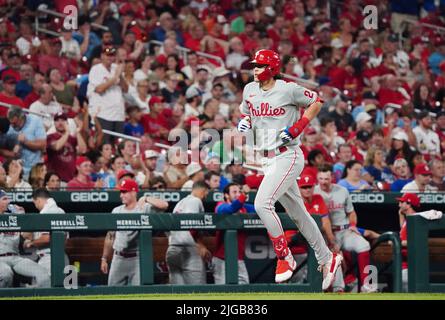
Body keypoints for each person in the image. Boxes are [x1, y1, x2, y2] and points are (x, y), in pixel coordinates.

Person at [237, 49, 341, 289]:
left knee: (262, 204)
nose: (255, 69)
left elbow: (317, 101)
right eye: (254, 65)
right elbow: (248, 113)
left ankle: (284, 257)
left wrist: (299, 126)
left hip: (288, 157)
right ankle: (327, 258)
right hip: (267, 159)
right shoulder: (250, 89)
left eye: (260, 66)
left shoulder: (287, 88)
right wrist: (245, 122)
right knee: (299, 214)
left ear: (272, 68)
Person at [314, 166, 376, 293]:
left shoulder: (342, 190)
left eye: (326, 178)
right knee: (333, 257)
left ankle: (366, 285)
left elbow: (351, 213)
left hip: (344, 230)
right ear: (317, 179)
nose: (324, 182)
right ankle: (338, 288)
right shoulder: (314, 192)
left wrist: (353, 225)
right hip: (326, 233)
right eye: (321, 178)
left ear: (332, 177)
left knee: (364, 245)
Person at [100, 178, 168, 286]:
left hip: (137, 259)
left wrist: (146, 198)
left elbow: (164, 205)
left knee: (138, 294)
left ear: (133, 192)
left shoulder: (144, 208)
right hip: (118, 258)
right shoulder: (116, 211)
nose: (121, 195)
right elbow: (110, 236)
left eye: (124, 192)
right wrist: (104, 258)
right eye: (121, 192)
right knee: (113, 294)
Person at [286, 174, 345, 292]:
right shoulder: (294, 201)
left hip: (313, 240)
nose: (307, 190)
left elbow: (325, 221)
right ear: (299, 188)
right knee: (297, 281)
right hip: (294, 239)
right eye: (304, 187)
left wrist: (332, 242)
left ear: (313, 187)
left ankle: (338, 289)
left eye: (309, 187)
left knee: (333, 254)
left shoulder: (318, 198)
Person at [0, 190, 50, 288]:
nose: (8, 201)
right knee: (6, 274)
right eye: (4, 199)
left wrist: (23, 218)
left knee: (42, 273)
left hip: (15, 258)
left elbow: (28, 236)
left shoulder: (13, 218)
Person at [166, 181, 212, 285]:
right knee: (197, 290)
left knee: (177, 292)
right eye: (206, 193)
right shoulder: (196, 201)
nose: (205, 196)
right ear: (203, 191)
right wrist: (199, 244)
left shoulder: (180, 203)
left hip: (172, 249)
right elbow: (191, 222)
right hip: (188, 248)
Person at [213, 183, 255, 284]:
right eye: (234, 192)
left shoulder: (244, 207)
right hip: (222, 258)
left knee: (244, 289)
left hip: (239, 258)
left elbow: (259, 208)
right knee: (222, 292)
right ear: (226, 195)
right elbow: (231, 209)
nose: (237, 194)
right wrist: (243, 194)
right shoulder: (220, 206)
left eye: (239, 192)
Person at [87, 46, 128, 144]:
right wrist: (115, 77)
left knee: (117, 145)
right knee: (103, 145)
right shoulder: (96, 69)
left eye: (112, 55)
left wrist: (120, 75)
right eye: (107, 55)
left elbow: (126, 89)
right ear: (102, 56)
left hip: (118, 115)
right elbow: (99, 89)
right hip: (103, 114)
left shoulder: (116, 68)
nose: (110, 58)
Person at [22, 188, 68, 274]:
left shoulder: (46, 212)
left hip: (49, 259)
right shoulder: (60, 210)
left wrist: (30, 243)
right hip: (61, 256)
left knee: (45, 285)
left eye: (34, 203)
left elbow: (47, 238)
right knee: (60, 286)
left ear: (38, 200)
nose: (35, 206)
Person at [7, 106, 46, 180]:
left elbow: (42, 144)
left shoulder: (35, 121)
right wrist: (13, 151)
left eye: (14, 123)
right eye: (11, 123)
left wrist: (25, 142)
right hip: (17, 171)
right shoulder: (9, 127)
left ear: (22, 117)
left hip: (35, 170)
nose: (12, 126)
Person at [46, 112, 86, 183]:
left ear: (67, 123)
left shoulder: (71, 138)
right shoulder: (50, 137)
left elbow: (83, 150)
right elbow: (57, 147)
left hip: (70, 179)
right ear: (54, 123)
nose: (60, 123)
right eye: (57, 120)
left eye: (63, 120)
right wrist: (67, 132)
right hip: (55, 180)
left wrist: (78, 132)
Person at [396, 192, 420, 292]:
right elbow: (403, 227)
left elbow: (414, 242)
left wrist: (397, 243)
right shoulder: (409, 219)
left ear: (409, 204)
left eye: (402, 202)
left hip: (410, 265)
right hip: (405, 264)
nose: (399, 205)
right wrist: (400, 214)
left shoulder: (416, 219)